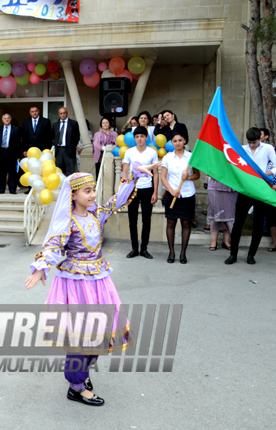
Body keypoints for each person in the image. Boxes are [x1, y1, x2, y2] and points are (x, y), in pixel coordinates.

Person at [25, 162, 161, 406]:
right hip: (75, 285)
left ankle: (82, 374)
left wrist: (133, 175)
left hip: (98, 281)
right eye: (87, 191)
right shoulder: (67, 222)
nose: (92, 194)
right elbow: (54, 246)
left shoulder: (97, 214)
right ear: (73, 194)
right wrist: (40, 267)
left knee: (99, 332)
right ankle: (76, 386)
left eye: (93, 189)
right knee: (80, 337)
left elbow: (116, 201)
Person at [225, 127, 276, 265]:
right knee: (238, 223)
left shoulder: (268, 148)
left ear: (260, 138)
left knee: (258, 224)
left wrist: (266, 174)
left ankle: (251, 254)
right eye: (250, 142)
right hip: (245, 190)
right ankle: (233, 254)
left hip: (260, 190)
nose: (252, 145)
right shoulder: (242, 149)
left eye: (254, 142)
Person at [160, 132, 200, 264]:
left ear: (184, 141)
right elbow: (163, 177)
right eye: (175, 141)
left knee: (186, 223)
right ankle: (171, 252)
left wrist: (188, 177)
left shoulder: (191, 157)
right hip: (173, 194)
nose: (177, 143)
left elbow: (197, 175)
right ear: (172, 143)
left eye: (180, 140)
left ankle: (183, 253)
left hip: (188, 193)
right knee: (171, 223)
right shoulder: (167, 158)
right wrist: (171, 191)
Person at [121, 126, 159, 259]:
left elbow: (156, 173)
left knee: (146, 220)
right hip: (133, 189)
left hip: (147, 189)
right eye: (137, 136)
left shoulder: (152, 153)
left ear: (146, 137)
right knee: (132, 220)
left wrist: (155, 192)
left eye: (142, 136)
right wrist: (125, 188)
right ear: (134, 138)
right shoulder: (129, 152)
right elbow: (125, 172)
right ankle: (134, 248)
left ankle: (144, 248)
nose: (139, 139)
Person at [0, 113, 21, 195]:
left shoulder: (15, 129)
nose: (7, 119)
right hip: (1, 152)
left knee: (12, 171)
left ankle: (12, 189)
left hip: (11, 152)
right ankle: (1, 188)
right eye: (5, 118)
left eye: (8, 118)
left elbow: (18, 143)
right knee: (1, 171)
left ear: (10, 119)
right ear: (2, 120)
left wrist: (18, 156)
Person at [207, 177, 237, 251]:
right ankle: (213, 241)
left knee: (229, 213)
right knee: (215, 214)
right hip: (215, 185)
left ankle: (226, 241)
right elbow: (208, 171)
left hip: (232, 185)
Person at [52, 107, 80, 176]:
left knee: (70, 170)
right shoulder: (55, 124)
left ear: (67, 113)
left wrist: (72, 146)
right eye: (61, 113)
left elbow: (77, 136)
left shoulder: (73, 123)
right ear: (59, 114)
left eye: (64, 113)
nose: (63, 115)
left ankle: (70, 186)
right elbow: (52, 136)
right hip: (58, 150)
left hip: (69, 150)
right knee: (59, 170)